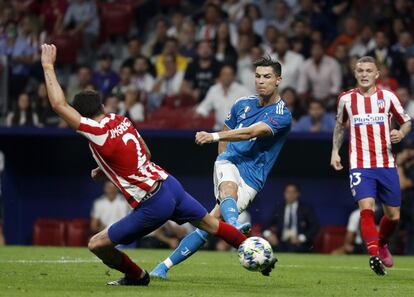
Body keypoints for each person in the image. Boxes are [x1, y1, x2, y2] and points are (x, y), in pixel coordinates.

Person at [40, 44, 251, 286]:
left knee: (97, 244)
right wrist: (107, 167)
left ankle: (137, 276)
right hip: (170, 185)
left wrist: (48, 65)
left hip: (153, 202)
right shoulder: (122, 119)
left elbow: (58, 105)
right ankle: (252, 248)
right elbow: (145, 153)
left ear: (84, 117)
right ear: (103, 107)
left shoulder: (95, 130)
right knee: (212, 224)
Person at [151, 56, 291, 279]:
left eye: (267, 77)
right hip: (229, 162)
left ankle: (164, 267)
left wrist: (213, 136)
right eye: (257, 76)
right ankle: (235, 226)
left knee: (208, 224)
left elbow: (251, 132)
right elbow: (229, 129)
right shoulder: (241, 104)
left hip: (253, 177)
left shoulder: (282, 115)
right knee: (227, 189)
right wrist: (222, 160)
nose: (261, 81)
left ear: (278, 80)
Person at [330, 56, 412, 275]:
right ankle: (374, 254)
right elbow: (339, 126)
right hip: (360, 164)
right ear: (355, 74)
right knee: (366, 208)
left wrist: (400, 132)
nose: (364, 74)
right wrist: (335, 152)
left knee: (393, 216)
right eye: (360, 70)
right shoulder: (346, 99)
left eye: (368, 70)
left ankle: (382, 242)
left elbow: (406, 121)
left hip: (386, 163)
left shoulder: (388, 97)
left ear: (377, 74)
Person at [262, 183, 319, 253]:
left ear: (298, 194)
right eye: (288, 192)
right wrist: (269, 235)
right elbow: (264, 225)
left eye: (293, 192)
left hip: (300, 244)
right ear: (284, 193)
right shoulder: (279, 208)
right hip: (280, 244)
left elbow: (315, 227)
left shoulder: (306, 208)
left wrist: (301, 238)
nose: (290, 195)